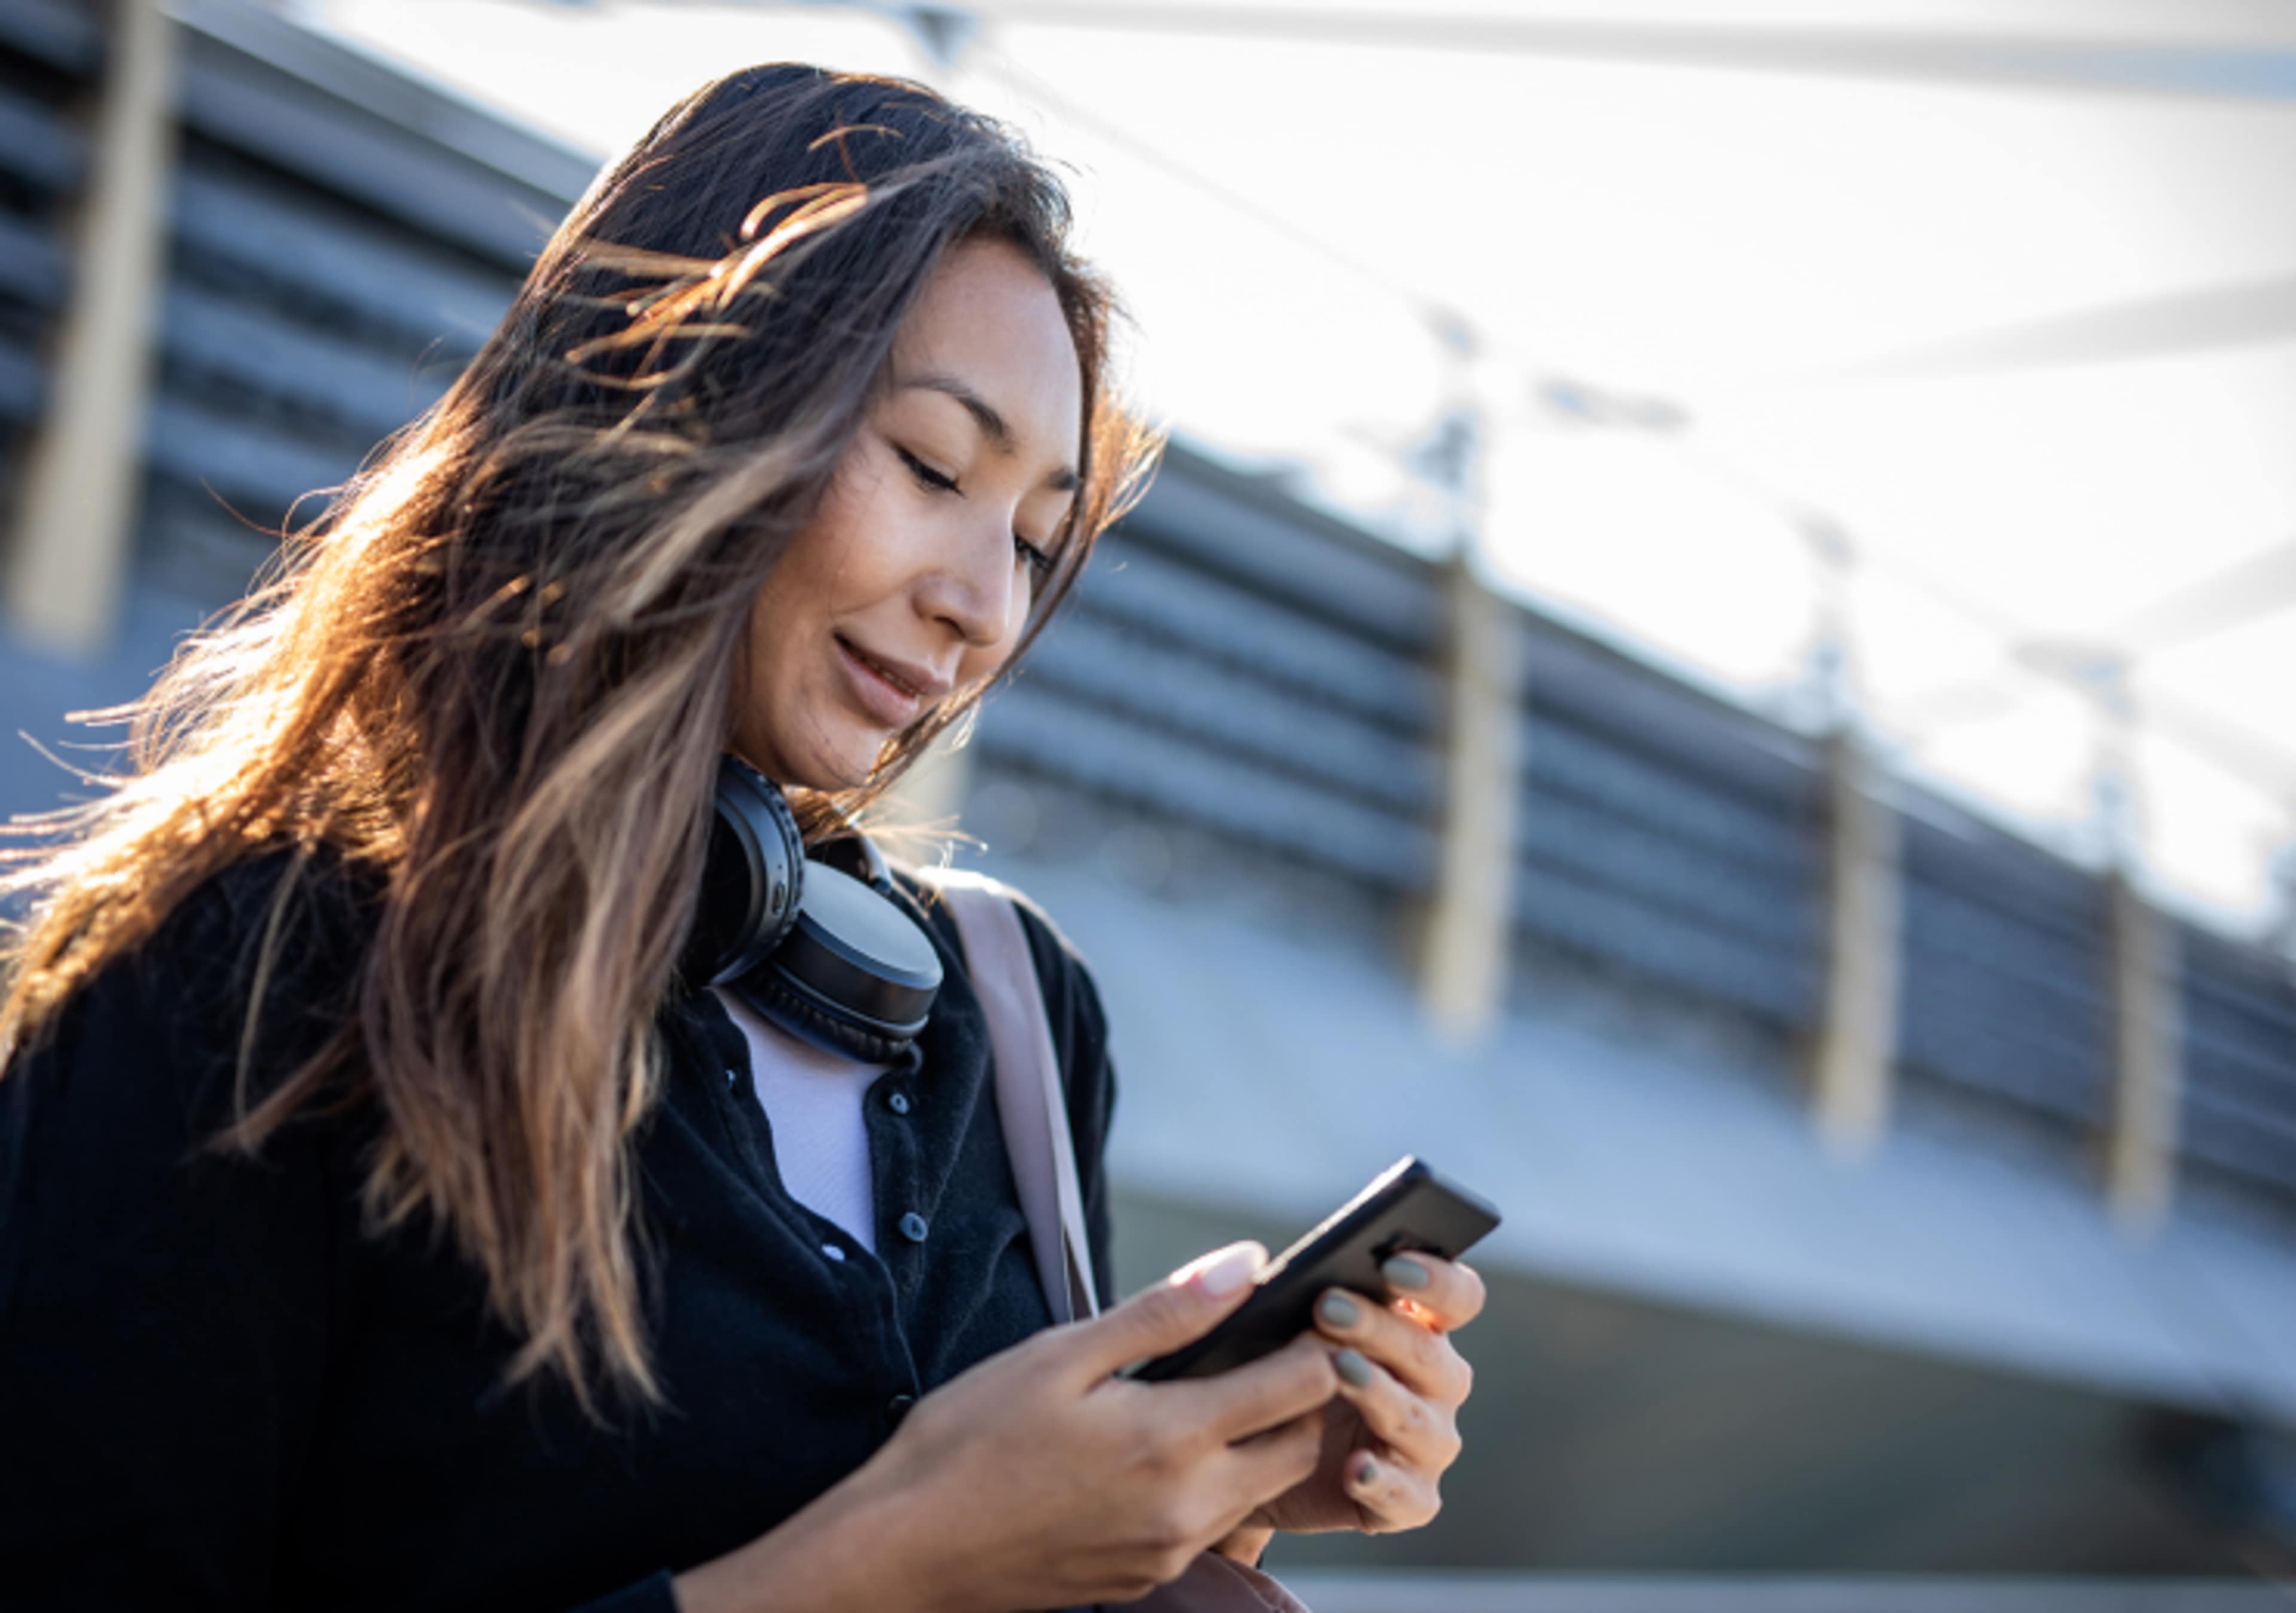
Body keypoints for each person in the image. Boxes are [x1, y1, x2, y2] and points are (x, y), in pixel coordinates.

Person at [0, 65, 1483, 1612]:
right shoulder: (232, 981)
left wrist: (1184, 1500)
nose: (985, 605)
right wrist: (889, 1561)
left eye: (1038, 540)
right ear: (686, 395)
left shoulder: (1016, 1013)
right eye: (928, 466)